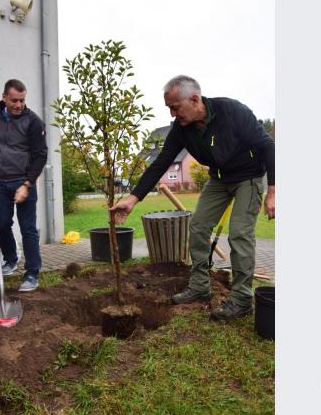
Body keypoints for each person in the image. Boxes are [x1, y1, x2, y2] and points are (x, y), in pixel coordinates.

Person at [110, 75, 275, 321]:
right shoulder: (181, 130)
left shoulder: (232, 111)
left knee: (240, 233)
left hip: (249, 177)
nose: (172, 114)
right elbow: (161, 162)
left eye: (175, 107)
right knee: (197, 227)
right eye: (169, 109)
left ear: (195, 99)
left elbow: (268, 146)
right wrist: (133, 199)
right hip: (219, 179)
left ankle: (241, 299)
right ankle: (199, 286)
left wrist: (273, 190)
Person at [0, 79, 47, 292]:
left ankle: (32, 273)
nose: (18, 105)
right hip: (0, 180)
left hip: (23, 180)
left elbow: (40, 155)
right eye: (14, 100)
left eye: (22, 100)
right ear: (4, 98)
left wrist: (27, 184)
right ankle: (11, 259)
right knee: (1, 224)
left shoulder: (33, 122)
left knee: (28, 229)